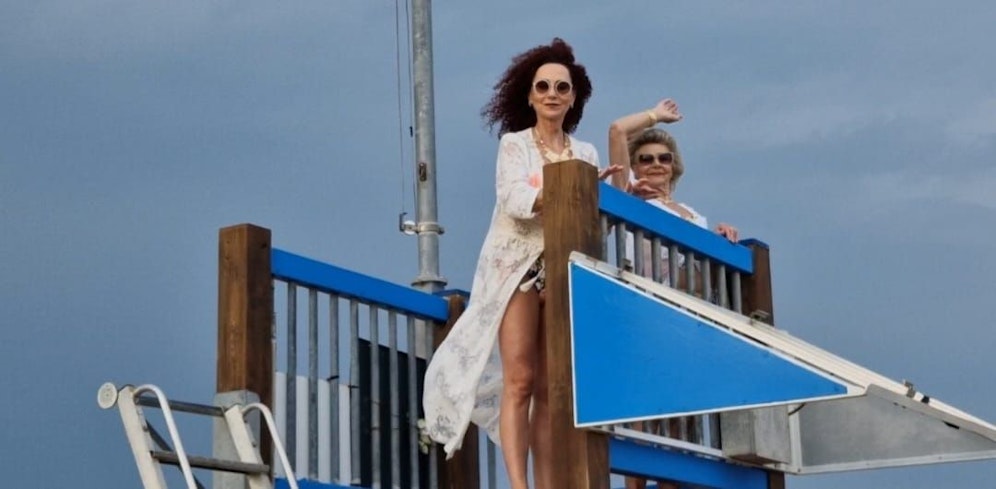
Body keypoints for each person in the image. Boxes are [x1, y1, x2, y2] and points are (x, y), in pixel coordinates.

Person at [422, 38, 619, 489]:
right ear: (529, 95)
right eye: (543, 86)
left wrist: (592, 194)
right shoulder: (514, 145)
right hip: (514, 270)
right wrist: (568, 191)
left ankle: (548, 484)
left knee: (552, 389)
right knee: (521, 380)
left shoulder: (585, 154)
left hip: (561, 270)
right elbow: (513, 199)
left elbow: (593, 223)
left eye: (562, 88)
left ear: (574, 97)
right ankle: (519, 484)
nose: (552, 94)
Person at [608, 103, 738, 489]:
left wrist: (723, 236)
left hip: (687, 318)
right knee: (642, 414)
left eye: (664, 158)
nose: (655, 164)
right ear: (635, 165)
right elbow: (616, 131)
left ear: (674, 165)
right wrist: (655, 117)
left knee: (680, 419)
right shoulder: (631, 198)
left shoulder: (691, 213)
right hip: (646, 310)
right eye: (645, 158)